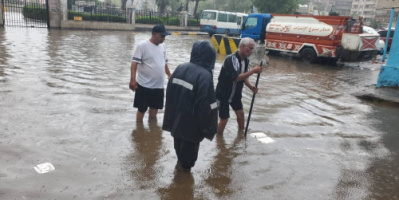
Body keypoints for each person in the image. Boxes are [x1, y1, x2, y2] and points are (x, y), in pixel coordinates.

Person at [162, 40, 218, 170]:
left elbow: (170, 95)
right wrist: (209, 129)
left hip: (176, 122)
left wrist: (171, 119)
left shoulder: (180, 68)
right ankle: (182, 186)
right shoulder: (205, 76)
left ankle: (178, 180)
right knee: (187, 163)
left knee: (180, 155)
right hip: (192, 128)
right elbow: (207, 106)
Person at [216, 37, 263, 134]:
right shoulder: (230, 59)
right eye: (249, 48)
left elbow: (244, 77)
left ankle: (241, 135)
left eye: (252, 49)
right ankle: (219, 141)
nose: (251, 51)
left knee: (241, 114)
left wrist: (250, 86)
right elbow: (236, 77)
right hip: (223, 94)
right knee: (224, 119)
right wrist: (253, 71)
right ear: (242, 47)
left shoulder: (246, 61)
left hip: (235, 95)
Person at [129, 24, 171, 122]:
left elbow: (164, 63)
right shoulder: (142, 45)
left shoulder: (163, 46)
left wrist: (169, 75)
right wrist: (132, 80)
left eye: (165, 36)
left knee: (154, 110)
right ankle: (139, 131)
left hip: (158, 85)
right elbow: (134, 63)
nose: (163, 38)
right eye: (162, 36)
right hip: (144, 85)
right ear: (155, 34)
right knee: (141, 109)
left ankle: (152, 133)